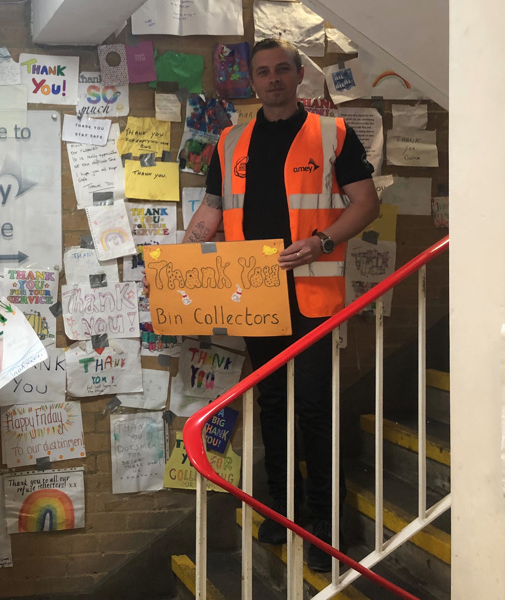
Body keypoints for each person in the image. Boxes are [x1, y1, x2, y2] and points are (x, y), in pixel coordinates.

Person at [154, 39, 379, 572]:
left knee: (315, 409)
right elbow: (211, 211)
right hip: (254, 297)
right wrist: (176, 276)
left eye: (282, 69)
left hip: (312, 298)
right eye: (262, 71)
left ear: (299, 75)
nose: (273, 78)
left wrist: (322, 242)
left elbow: (367, 204)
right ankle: (283, 513)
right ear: (252, 81)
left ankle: (326, 528)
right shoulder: (230, 141)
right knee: (273, 406)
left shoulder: (333, 133)